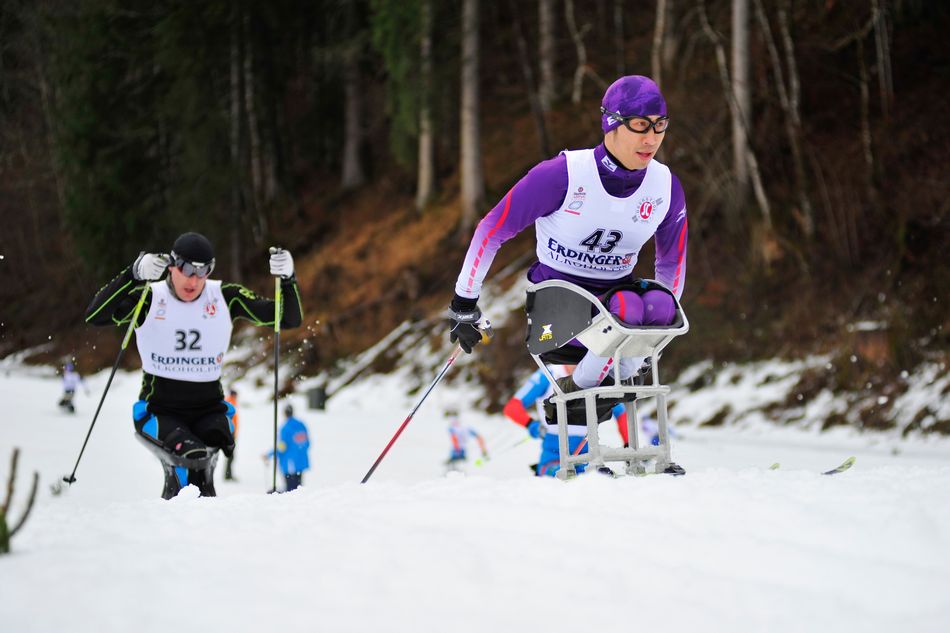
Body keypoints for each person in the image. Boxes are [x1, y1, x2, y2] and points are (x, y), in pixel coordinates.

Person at [448, 75, 687, 470]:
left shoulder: (664, 185)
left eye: (660, 125)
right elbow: (491, 230)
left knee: (660, 305)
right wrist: (464, 302)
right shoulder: (562, 174)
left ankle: (611, 415)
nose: (652, 138)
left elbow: (672, 264)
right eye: (640, 126)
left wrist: (653, 341)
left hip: (614, 306)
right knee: (625, 307)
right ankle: (578, 401)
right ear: (611, 123)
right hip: (557, 303)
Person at [84, 231, 303, 498]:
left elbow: (286, 319)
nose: (194, 280)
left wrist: (288, 279)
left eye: (203, 271)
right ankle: (176, 523)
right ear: (172, 265)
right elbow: (96, 315)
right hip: (159, 410)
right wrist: (133, 274)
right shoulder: (150, 297)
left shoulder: (224, 296)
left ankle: (203, 532)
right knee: (189, 458)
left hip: (209, 410)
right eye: (187, 269)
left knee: (212, 451)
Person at [503, 365, 632, 476]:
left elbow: (620, 412)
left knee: (599, 479)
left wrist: (628, 445)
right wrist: (533, 426)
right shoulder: (548, 374)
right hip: (554, 454)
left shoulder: (593, 375)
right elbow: (512, 407)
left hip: (586, 453)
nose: (578, 362)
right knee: (564, 477)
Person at [264, 404, 311, 492]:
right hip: (301, 462)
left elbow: (282, 447)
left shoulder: (285, 428)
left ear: (284, 413)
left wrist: (269, 455)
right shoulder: (301, 425)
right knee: (299, 490)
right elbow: (307, 443)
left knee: (290, 491)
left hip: (289, 464)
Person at [223, 388, 239, 481]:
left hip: (231, 433)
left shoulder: (231, 403)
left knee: (231, 455)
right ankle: (228, 475)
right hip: (230, 433)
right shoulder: (230, 403)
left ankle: (228, 474)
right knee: (231, 455)